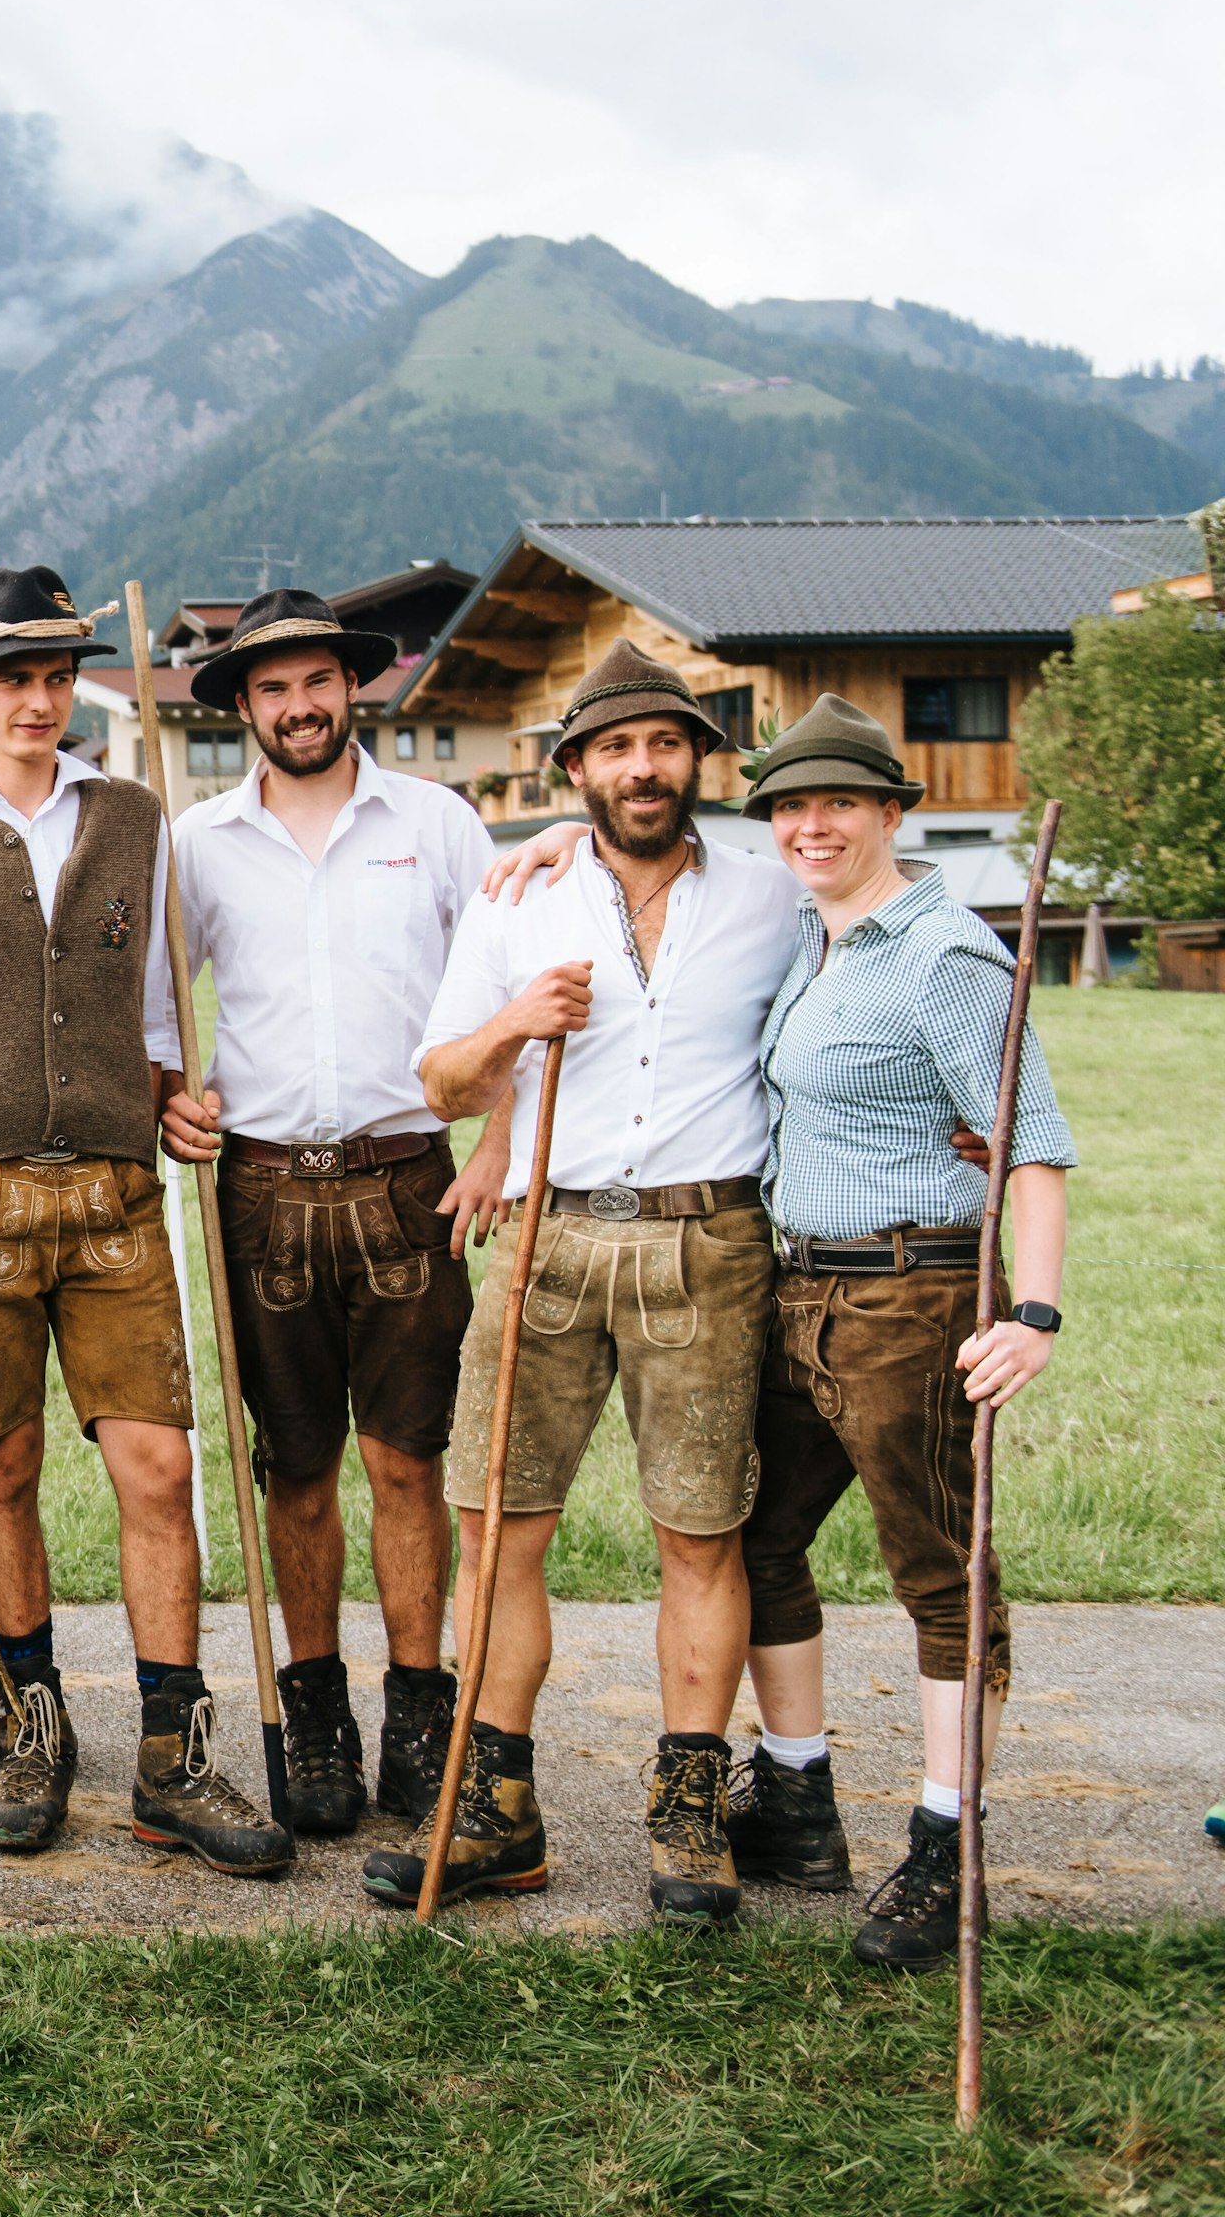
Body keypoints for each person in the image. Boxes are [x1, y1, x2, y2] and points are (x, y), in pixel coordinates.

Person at [0, 564, 292, 1875]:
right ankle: (39, 1723)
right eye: (11, 679)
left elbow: (151, 1019)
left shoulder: (135, 818)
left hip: (111, 1194)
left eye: (53, 676)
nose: (36, 700)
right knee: (3, 1469)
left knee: (156, 1468)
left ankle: (172, 1757)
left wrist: (175, 1102)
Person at [375, 640, 803, 1921]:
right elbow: (441, 1082)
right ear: (576, 769)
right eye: (616, 748)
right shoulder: (522, 900)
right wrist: (516, 1023)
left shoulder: (773, 891)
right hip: (551, 1239)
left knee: (700, 1529)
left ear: (697, 760)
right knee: (498, 1524)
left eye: (665, 743)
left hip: (707, 1239)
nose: (644, 767)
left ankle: (688, 1815)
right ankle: (498, 1813)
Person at [720, 694, 1071, 1970]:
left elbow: (1030, 1138)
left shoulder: (946, 955)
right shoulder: (821, 939)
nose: (811, 824)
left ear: (890, 811)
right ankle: (799, 1800)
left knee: (935, 1569)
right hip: (800, 1293)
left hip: (911, 1296)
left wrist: (1030, 1311)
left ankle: (945, 1843)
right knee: (754, 1537)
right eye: (789, 806)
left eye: (838, 803)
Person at [155, 589, 512, 1838]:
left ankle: (421, 1709)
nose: (298, 706)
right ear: (242, 706)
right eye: (271, 688)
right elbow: (163, 1009)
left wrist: (501, 1148)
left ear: (351, 687)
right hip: (259, 1191)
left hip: (411, 1178)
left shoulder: (438, 822)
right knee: (293, 1468)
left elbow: (509, 996)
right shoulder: (198, 842)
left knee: (407, 1462)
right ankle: (315, 1712)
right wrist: (170, 1101)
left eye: (316, 681)